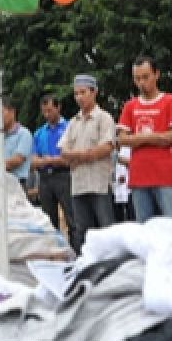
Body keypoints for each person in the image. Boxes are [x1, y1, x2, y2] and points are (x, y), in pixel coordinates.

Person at [118, 56, 172, 222]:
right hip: (138, 176)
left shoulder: (170, 101)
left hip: (164, 176)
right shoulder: (130, 106)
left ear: (157, 74)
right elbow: (121, 138)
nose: (141, 83)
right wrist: (156, 138)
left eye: (145, 77)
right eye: (137, 78)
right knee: (145, 230)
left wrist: (143, 138)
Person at [58, 75, 116, 251]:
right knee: (82, 230)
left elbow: (106, 148)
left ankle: (111, 264)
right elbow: (63, 152)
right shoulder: (73, 122)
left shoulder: (104, 118)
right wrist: (88, 154)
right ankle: (86, 265)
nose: (79, 97)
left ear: (94, 92)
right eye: (76, 94)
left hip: (99, 183)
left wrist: (77, 156)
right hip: (79, 184)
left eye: (83, 92)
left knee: (106, 228)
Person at [32, 94, 75, 240]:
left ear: (58, 107)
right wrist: (49, 160)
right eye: (44, 111)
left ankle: (77, 251)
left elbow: (69, 157)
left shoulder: (70, 128)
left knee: (71, 217)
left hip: (64, 175)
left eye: (50, 110)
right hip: (45, 178)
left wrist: (49, 160)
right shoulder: (39, 133)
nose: (46, 114)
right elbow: (33, 159)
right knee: (49, 220)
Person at [0, 95, 33, 189]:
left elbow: (16, 160)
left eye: (1, 112)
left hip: (17, 184)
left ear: (12, 111)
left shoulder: (24, 134)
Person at [113, 146, 133, 223]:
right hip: (115, 191)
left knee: (132, 221)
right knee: (118, 221)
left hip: (130, 190)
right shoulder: (113, 147)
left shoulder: (129, 146)